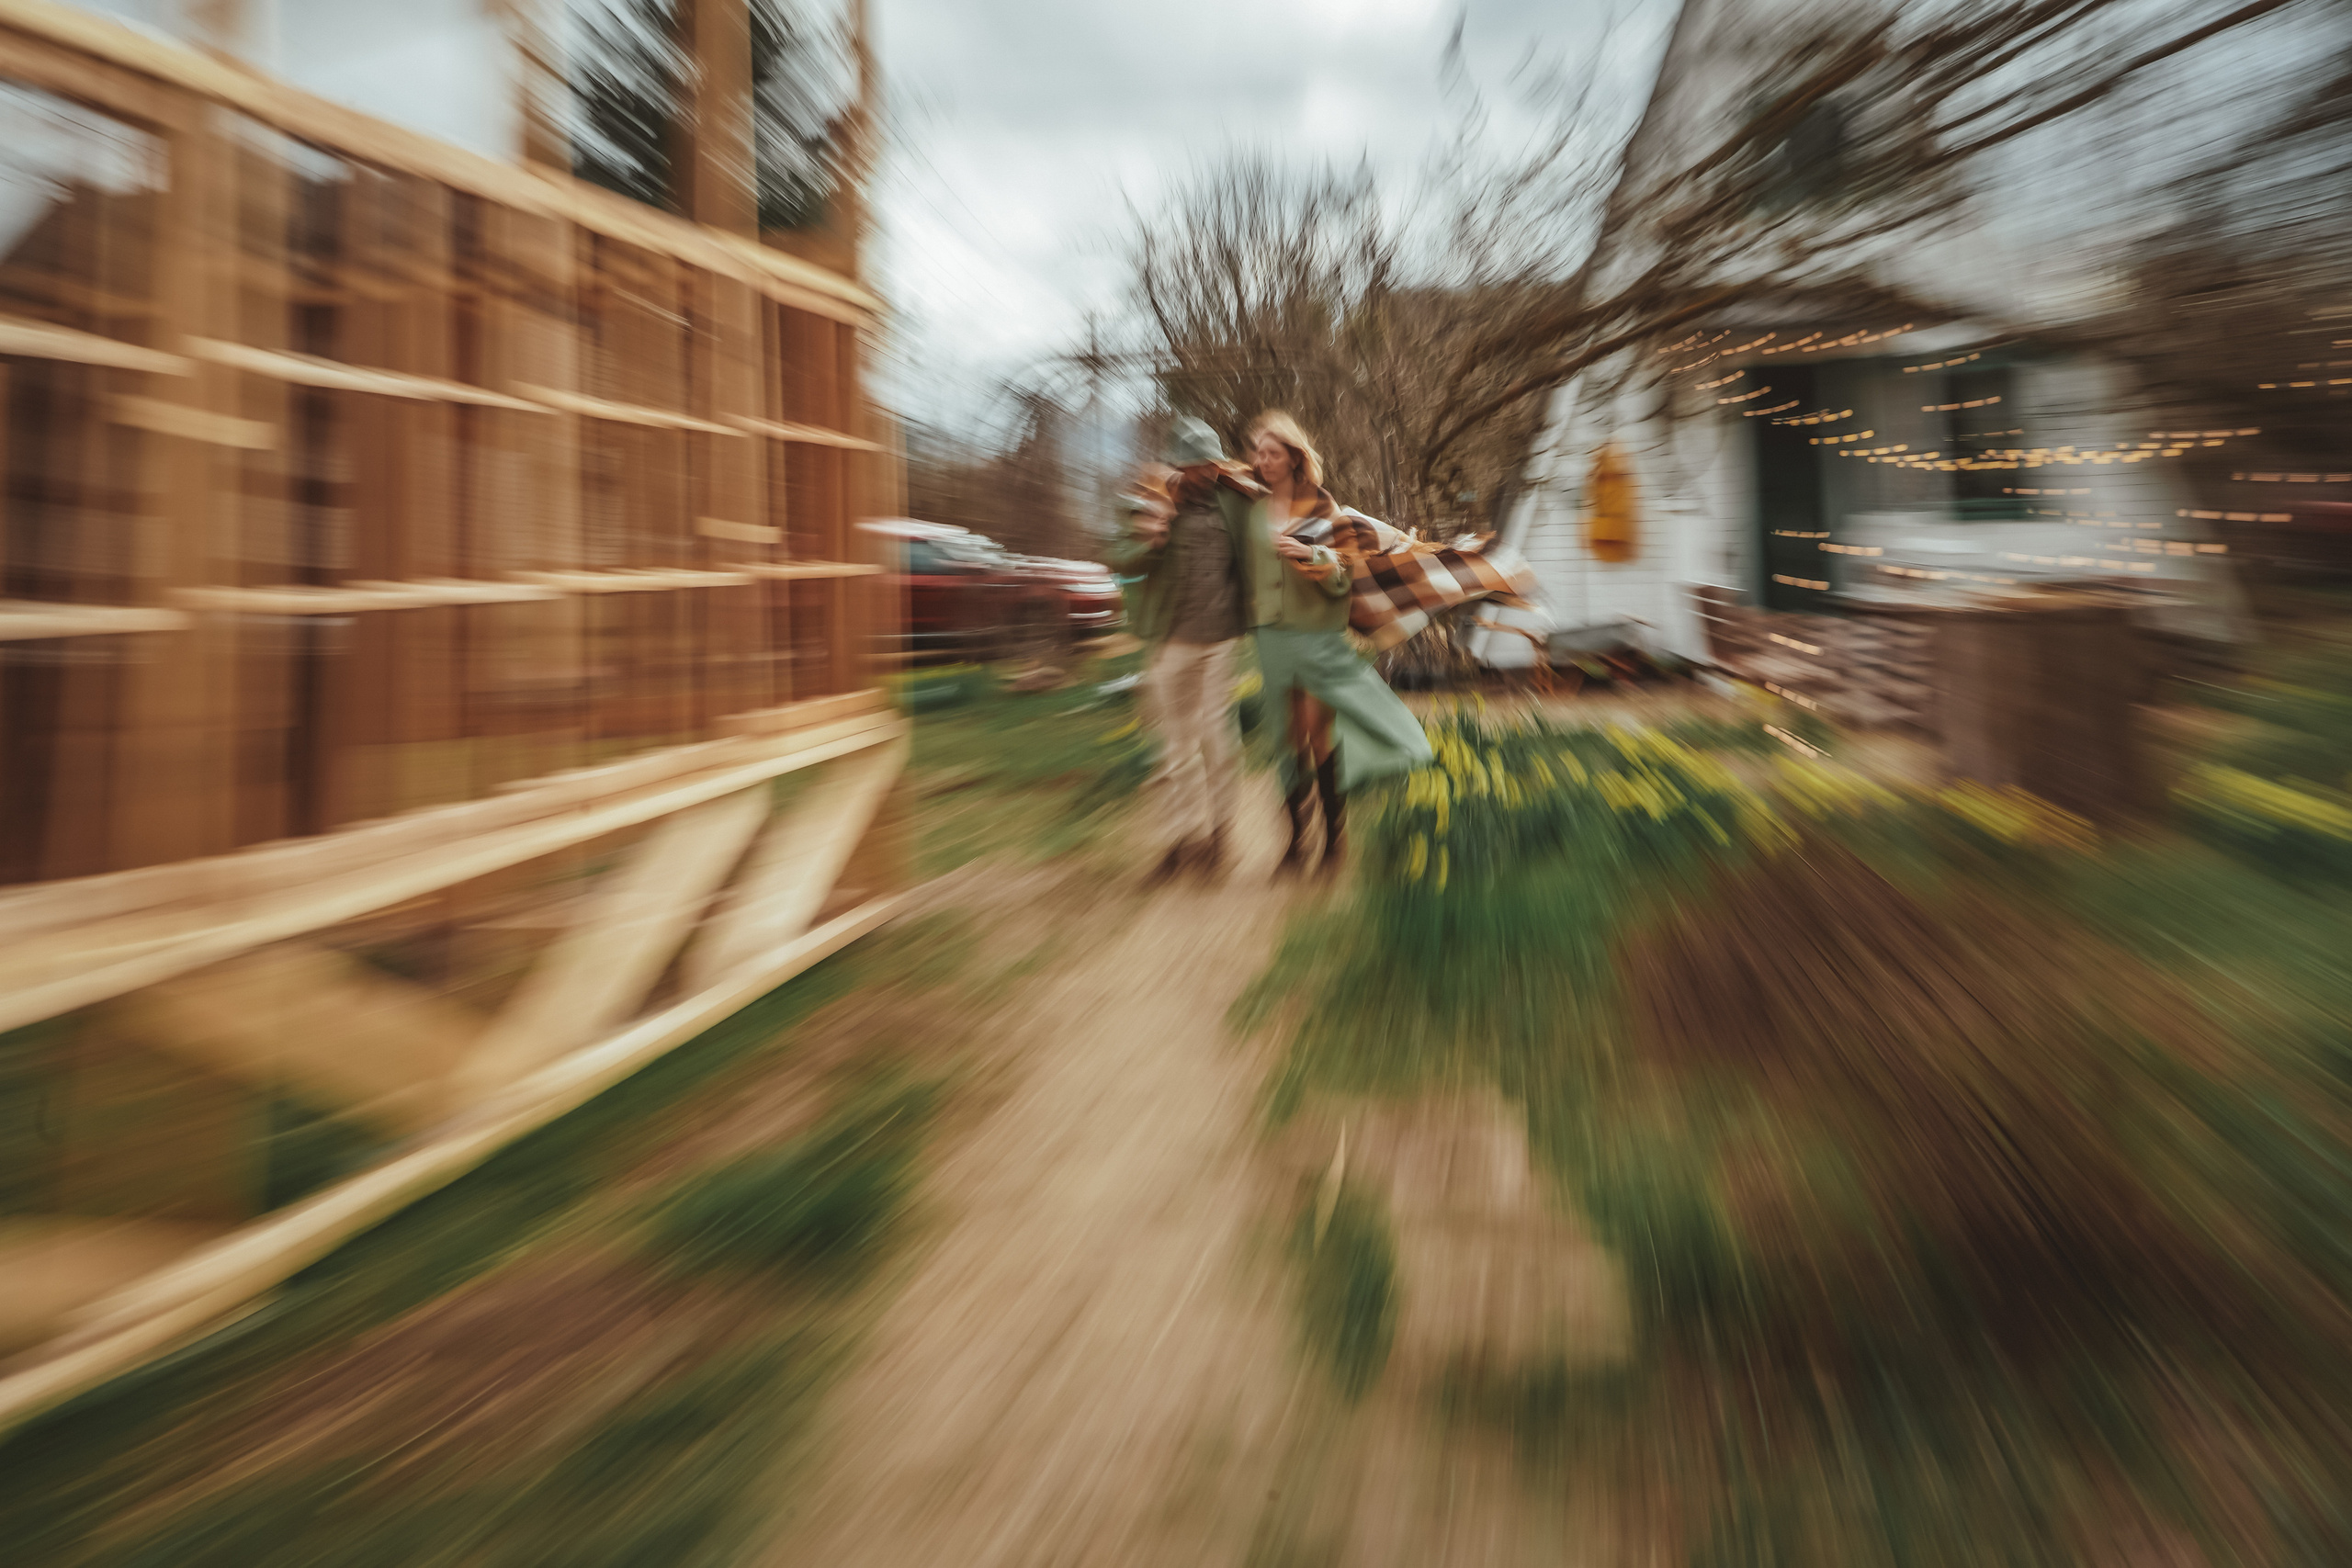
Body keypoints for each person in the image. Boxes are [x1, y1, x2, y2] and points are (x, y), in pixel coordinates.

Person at [1241, 410, 1434, 874]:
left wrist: (1313, 555)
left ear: (1294, 458)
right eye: (1259, 453)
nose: (1263, 460)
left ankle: (1333, 842)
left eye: (1272, 453)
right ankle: (1294, 843)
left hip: (1315, 637)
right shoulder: (1252, 511)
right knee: (1287, 741)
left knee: (1318, 735)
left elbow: (1349, 567)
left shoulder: (1325, 511)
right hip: (1270, 639)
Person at [1107, 416, 1257, 883]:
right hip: (1171, 640)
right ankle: (1179, 841)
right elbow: (1117, 557)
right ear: (1180, 466)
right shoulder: (1153, 501)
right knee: (1173, 746)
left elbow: (1260, 550)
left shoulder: (1236, 502)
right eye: (1195, 465)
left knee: (1216, 740)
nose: (1205, 472)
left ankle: (1220, 836)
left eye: (1210, 463)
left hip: (1221, 640)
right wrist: (1152, 538)